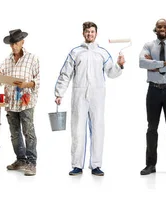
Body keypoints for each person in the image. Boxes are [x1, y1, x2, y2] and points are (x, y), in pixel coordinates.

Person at [54, 21, 125, 176]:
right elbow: (65, 74)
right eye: (87, 32)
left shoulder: (103, 53)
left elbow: (111, 73)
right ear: (83, 33)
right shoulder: (75, 52)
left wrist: (119, 65)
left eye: (92, 32)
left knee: (98, 129)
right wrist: (59, 93)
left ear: (96, 34)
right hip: (79, 95)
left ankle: (96, 165)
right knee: (77, 130)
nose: (90, 34)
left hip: (97, 96)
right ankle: (77, 165)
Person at [139, 19, 166, 176]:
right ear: (155, 29)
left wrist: (156, 65)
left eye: (164, 27)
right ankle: (150, 165)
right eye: (159, 26)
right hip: (153, 91)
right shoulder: (148, 45)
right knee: (152, 128)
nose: (162, 29)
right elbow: (142, 63)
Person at [0, 29, 40, 176]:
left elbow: (38, 81)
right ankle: (20, 160)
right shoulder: (6, 61)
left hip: (26, 102)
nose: (14, 46)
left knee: (28, 132)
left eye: (16, 43)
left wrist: (27, 84)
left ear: (22, 42)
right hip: (11, 102)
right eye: (12, 44)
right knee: (15, 133)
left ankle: (31, 163)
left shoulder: (32, 58)